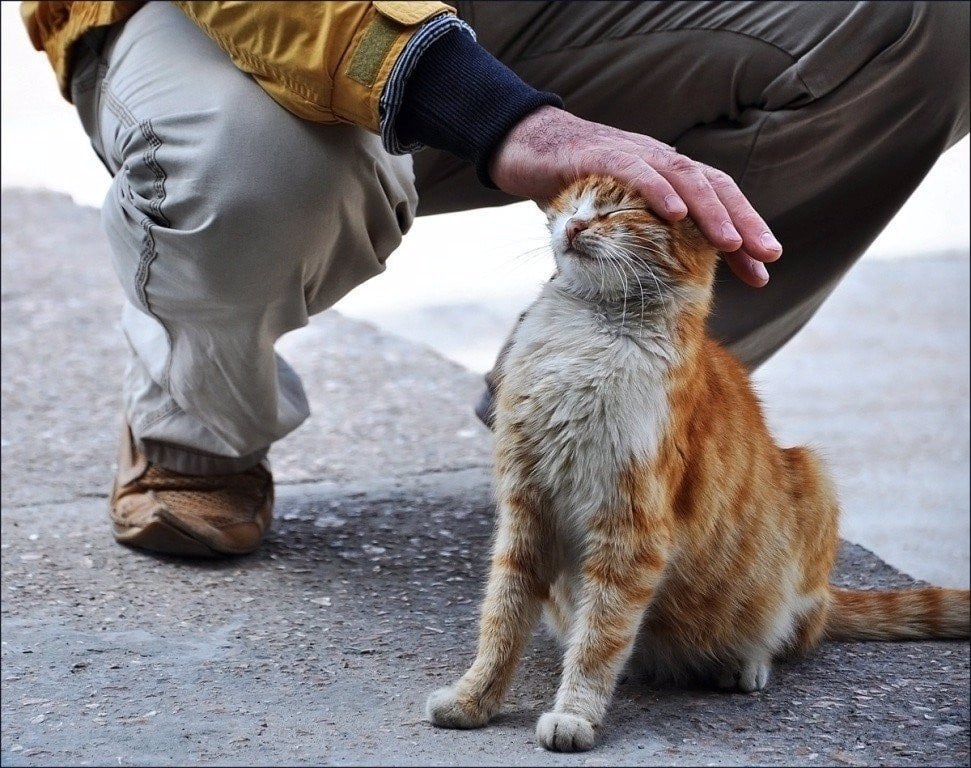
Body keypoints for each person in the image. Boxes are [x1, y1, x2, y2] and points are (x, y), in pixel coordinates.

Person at [22, 1, 969, 557]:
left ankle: (595, 426)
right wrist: (494, 113)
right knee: (258, 173)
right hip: (226, 20)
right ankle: (195, 422)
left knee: (921, 24)